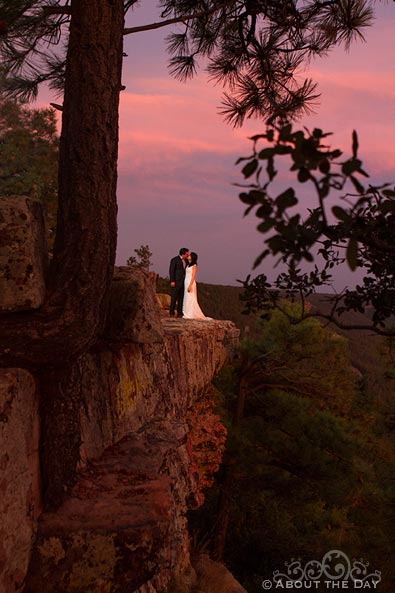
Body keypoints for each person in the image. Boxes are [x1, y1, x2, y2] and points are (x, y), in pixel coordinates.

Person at [182, 252, 212, 320]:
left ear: (192, 257)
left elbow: (193, 276)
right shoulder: (188, 264)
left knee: (191, 298)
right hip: (186, 281)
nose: (188, 256)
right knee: (186, 297)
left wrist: (190, 285)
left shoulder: (194, 266)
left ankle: (190, 313)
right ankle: (186, 312)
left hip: (190, 282)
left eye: (190, 255)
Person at [169, 247, 189, 317]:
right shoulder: (175, 260)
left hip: (183, 282)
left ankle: (179, 313)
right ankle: (171, 312)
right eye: (187, 253)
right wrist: (172, 280)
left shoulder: (186, 261)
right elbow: (171, 270)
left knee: (181, 298)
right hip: (176, 281)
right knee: (174, 297)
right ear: (183, 253)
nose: (188, 255)